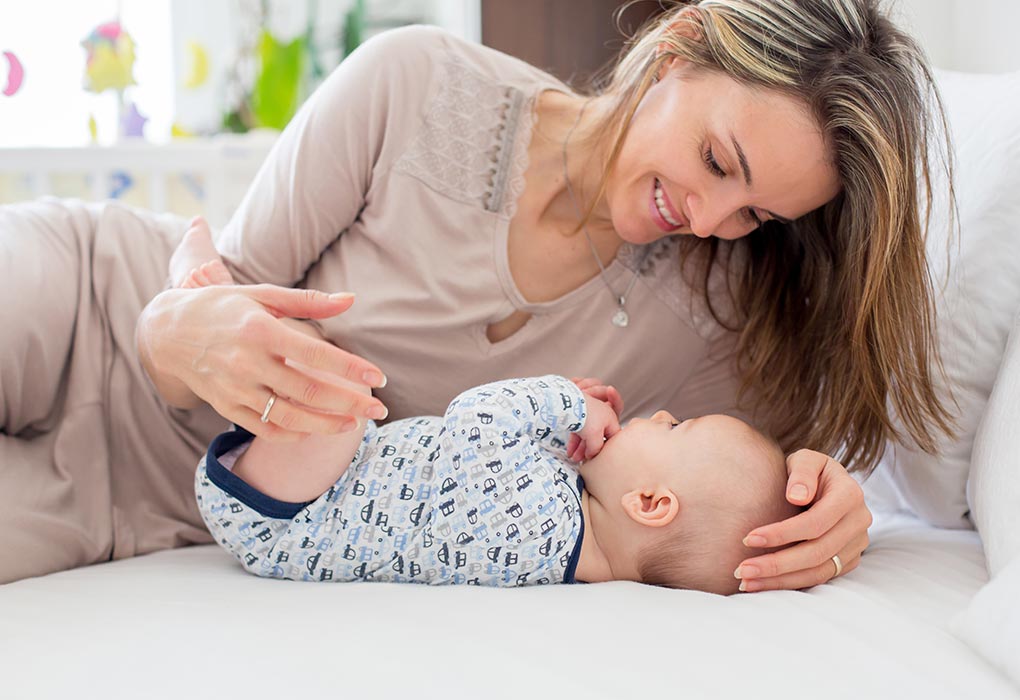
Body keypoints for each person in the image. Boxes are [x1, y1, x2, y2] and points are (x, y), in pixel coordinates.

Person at [1, 0, 953, 590]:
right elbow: (235, 290)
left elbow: (744, 493)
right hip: (89, 304)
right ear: (678, 51)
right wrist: (174, 333)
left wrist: (832, 508)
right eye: (716, 160)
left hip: (151, 504)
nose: (709, 219)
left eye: (756, 215)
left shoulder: (718, 329)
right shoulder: (417, 85)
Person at [196, 372, 798, 595]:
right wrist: (571, 434)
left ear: (649, 503)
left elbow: (475, 416)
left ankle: (218, 290)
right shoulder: (562, 538)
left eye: (677, 427)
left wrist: (562, 399)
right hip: (298, 491)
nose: (661, 415)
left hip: (286, 514)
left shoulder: (541, 525)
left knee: (343, 397)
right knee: (329, 393)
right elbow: (480, 479)